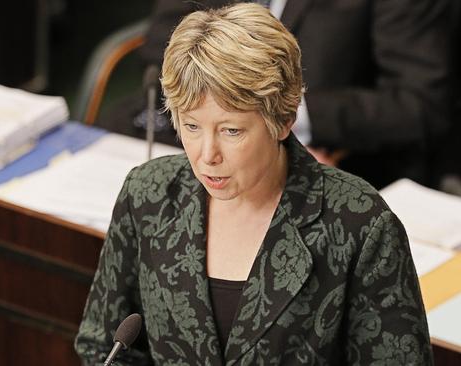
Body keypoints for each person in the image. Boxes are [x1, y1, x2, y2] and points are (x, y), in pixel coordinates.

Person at [75, 4, 431, 365]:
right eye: (192, 126)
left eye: (231, 130)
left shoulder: (361, 226)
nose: (207, 155)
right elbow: (102, 345)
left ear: (283, 119)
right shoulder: (147, 194)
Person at [96, 0, 451, 189]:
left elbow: (419, 102)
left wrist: (284, 120)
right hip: (193, 135)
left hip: (332, 159)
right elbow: (161, 46)